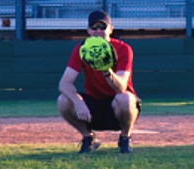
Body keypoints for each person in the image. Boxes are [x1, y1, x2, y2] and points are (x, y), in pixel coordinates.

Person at [57, 9, 141, 154]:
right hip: (93, 106)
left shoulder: (123, 49)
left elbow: (121, 87)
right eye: (94, 27)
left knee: (125, 98)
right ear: (88, 30)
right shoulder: (81, 49)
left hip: (118, 107)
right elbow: (64, 84)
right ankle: (88, 138)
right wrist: (78, 102)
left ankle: (125, 138)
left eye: (102, 27)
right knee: (63, 100)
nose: (98, 31)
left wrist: (106, 70)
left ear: (110, 29)